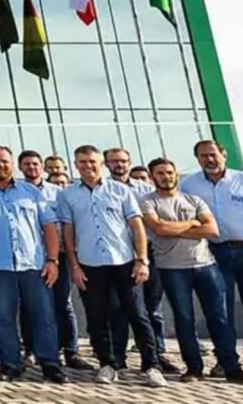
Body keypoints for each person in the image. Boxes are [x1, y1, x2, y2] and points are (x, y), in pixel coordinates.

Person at [140, 157, 243, 384]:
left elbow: (212, 229)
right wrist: (192, 224)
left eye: (169, 172)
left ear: (176, 174)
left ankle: (231, 367)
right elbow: (159, 228)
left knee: (220, 317)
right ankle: (194, 368)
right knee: (184, 318)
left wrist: (179, 227)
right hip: (172, 268)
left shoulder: (193, 199)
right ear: (152, 176)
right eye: (159, 173)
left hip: (206, 266)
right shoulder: (147, 202)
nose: (165, 177)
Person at [57, 145, 166, 387]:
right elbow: (68, 230)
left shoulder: (121, 191)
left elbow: (137, 226)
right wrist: (74, 266)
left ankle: (151, 365)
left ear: (101, 164)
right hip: (90, 263)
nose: (88, 166)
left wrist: (142, 260)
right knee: (97, 316)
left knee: (138, 314)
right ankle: (108, 364)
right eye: (82, 162)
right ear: (75, 165)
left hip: (124, 261)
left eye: (92, 162)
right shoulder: (66, 195)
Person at [0, 146, 67, 384]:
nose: (0, 165)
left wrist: (52, 260)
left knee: (44, 316)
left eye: (5, 161)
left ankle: (50, 364)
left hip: (34, 265)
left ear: (13, 164)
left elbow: (49, 227)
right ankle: (10, 364)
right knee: (2, 317)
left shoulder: (32, 192)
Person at [180, 139, 243, 379]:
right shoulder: (188, 185)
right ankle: (226, 360)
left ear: (224, 155)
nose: (209, 160)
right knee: (219, 310)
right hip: (213, 254)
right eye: (203, 156)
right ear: (197, 159)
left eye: (213, 154)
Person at [18, 151, 92, 371]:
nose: (31, 167)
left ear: (43, 166)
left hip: (57, 256)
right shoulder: (17, 192)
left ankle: (71, 351)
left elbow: (67, 223)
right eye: (27, 164)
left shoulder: (59, 193)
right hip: (30, 257)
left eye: (35, 163)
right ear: (21, 168)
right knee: (29, 305)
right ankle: (31, 350)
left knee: (63, 303)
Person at [105, 147, 174, 374]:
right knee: (118, 309)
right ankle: (118, 357)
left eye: (123, 161)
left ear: (130, 161)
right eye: (114, 161)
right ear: (106, 164)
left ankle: (156, 354)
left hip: (147, 256)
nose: (119, 165)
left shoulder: (146, 191)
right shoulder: (103, 190)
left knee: (152, 308)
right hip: (118, 257)